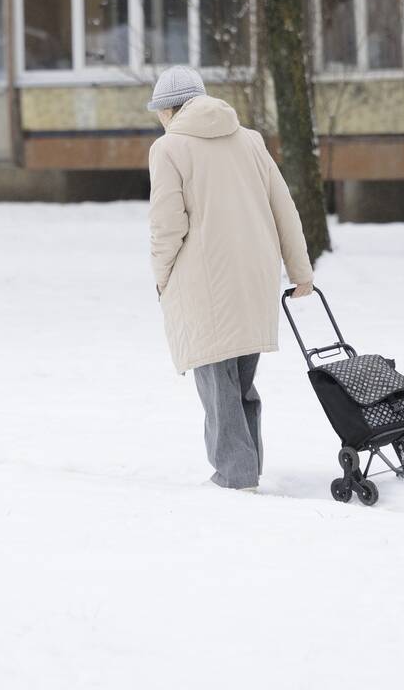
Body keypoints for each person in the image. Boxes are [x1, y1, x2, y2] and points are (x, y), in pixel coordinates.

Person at [146, 65, 314, 492]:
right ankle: (247, 468)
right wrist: (300, 271)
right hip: (255, 277)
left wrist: (162, 276)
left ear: (169, 110)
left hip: (205, 283)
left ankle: (234, 478)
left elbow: (167, 225)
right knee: (240, 381)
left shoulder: (168, 149)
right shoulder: (250, 140)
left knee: (218, 386)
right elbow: (284, 208)